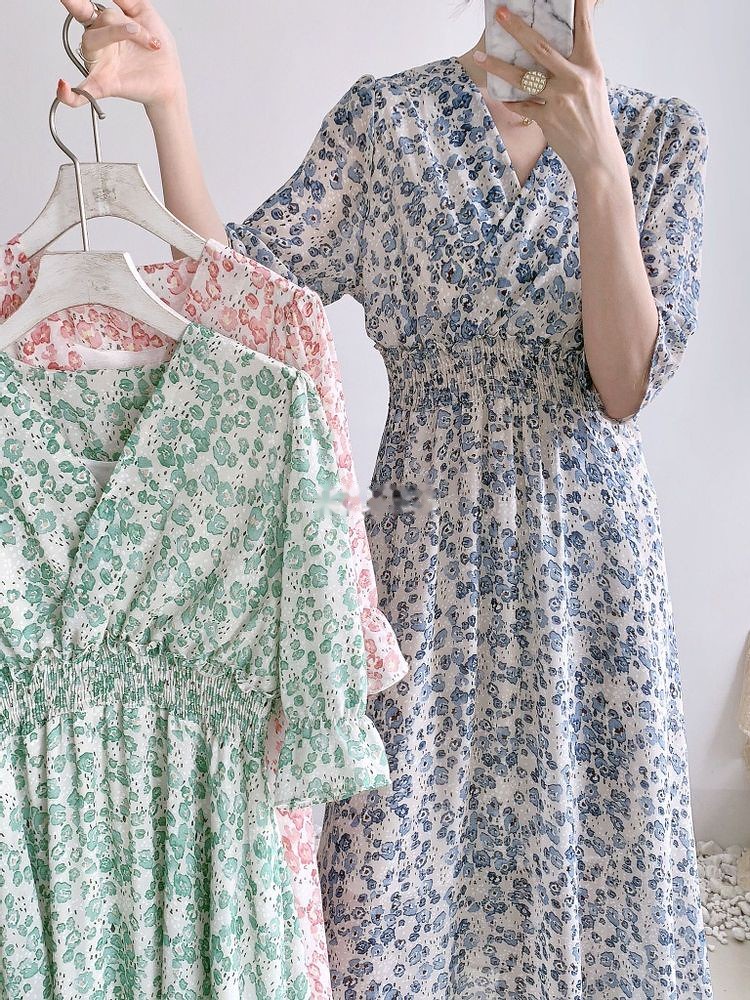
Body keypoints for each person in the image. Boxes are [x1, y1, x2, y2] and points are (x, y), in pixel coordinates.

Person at [58, 1, 712, 997]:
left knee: (592, 900)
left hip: (591, 587)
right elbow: (242, 311)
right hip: (423, 564)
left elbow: (622, 385)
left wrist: (599, 170)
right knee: (396, 899)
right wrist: (169, 106)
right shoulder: (387, 125)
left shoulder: (661, 139)